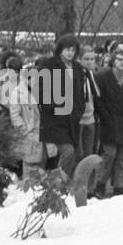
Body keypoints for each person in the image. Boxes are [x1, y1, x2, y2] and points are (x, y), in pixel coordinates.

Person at [38, 33, 86, 177]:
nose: (70, 53)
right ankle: (56, 184)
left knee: (77, 153)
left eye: (73, 50)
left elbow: (80, 93)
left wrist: (79, 110)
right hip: (55, 120)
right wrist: (54, 107)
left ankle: (64, 182)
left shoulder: (77, 67)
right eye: (67, 49)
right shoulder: (49, 65)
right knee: (68, 152)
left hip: (73, 119)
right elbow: (41, 92)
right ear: (60, 49)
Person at [94, 44, 123, 198]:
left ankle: (119, 186)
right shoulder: (103, 76)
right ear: (113, 60)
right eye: (119, 59)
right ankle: (100, 184)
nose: (122, 62)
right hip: (108, 120)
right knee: (109, 154)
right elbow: (98, 100)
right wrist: (104, 116)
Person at [78, 45, 102, 158]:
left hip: (91, 119)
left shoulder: (94, 75)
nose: (90, 62)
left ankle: (88, 175)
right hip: (77, 120)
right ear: (79, 60)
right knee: (78, 153)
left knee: (89, 153)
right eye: (86, 59)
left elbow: (97, 96)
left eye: (92, 59)